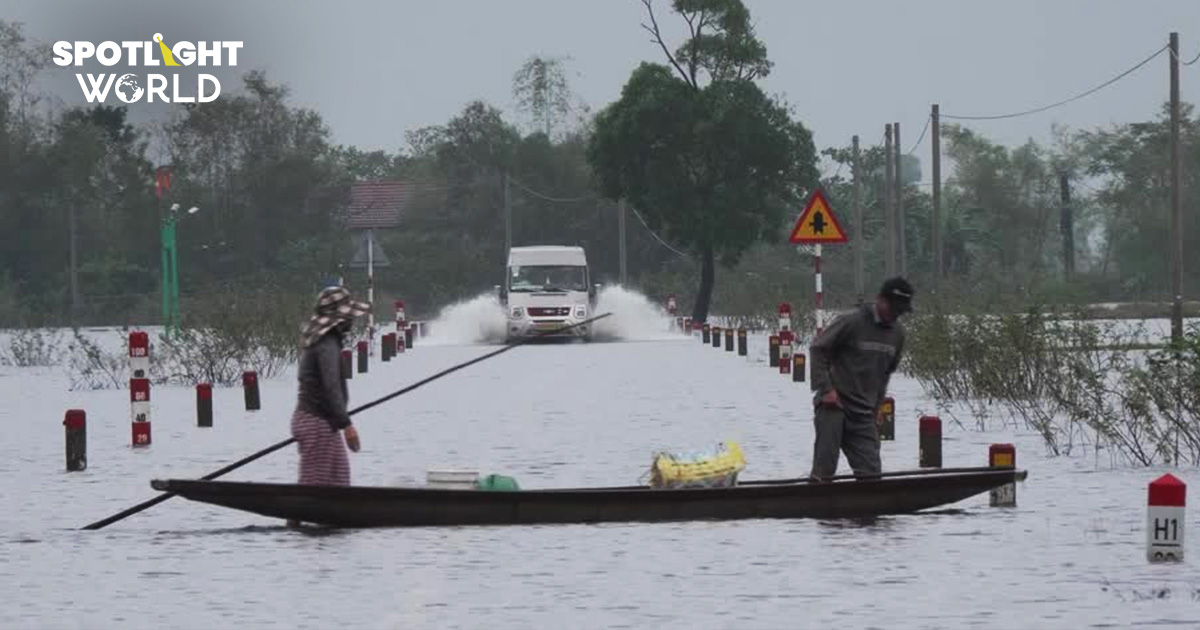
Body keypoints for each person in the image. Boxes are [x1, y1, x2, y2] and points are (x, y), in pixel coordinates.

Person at [808, 277, 914, 481]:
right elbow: (818, 348)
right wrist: (827, 390)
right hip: (834, 407)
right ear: (881, 300)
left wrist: (876, 409)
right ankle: (816, 499)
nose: (896, 314)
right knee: (824, 471)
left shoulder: (898, 334)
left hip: (864, 413)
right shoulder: (852, 321)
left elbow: (884, 374)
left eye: (900, 311)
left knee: (871, 474)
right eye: (893, 308)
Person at [291, 285, 368, 499]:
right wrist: (347, 426)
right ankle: (299, 519)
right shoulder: (326, 343)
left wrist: (340, 422)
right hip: (315, 423)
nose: (351, 320)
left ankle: (338, 519)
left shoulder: (326, 340)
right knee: (313, 490)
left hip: (324, 423)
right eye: (348, 316)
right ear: (338, 318)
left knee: (339, 480)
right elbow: (331, 386)